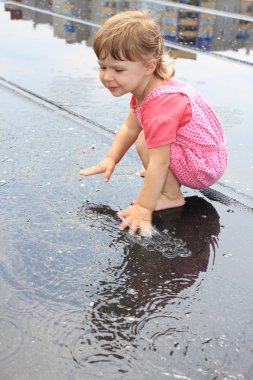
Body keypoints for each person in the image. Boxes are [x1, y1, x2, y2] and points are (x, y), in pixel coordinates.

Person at [80, 10, 227, 236]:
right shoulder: (147, 86)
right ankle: (167, 183)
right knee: (145, 137)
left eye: (118, 69)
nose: (107, 76)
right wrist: (111, 158)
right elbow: (130, 126)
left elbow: (159, 162)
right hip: (202, 155)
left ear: (148, 66)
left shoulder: (160, 106)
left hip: (203, 167)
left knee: (147, 141)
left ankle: (170, 195)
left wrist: (143, 207)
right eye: (103, 67)